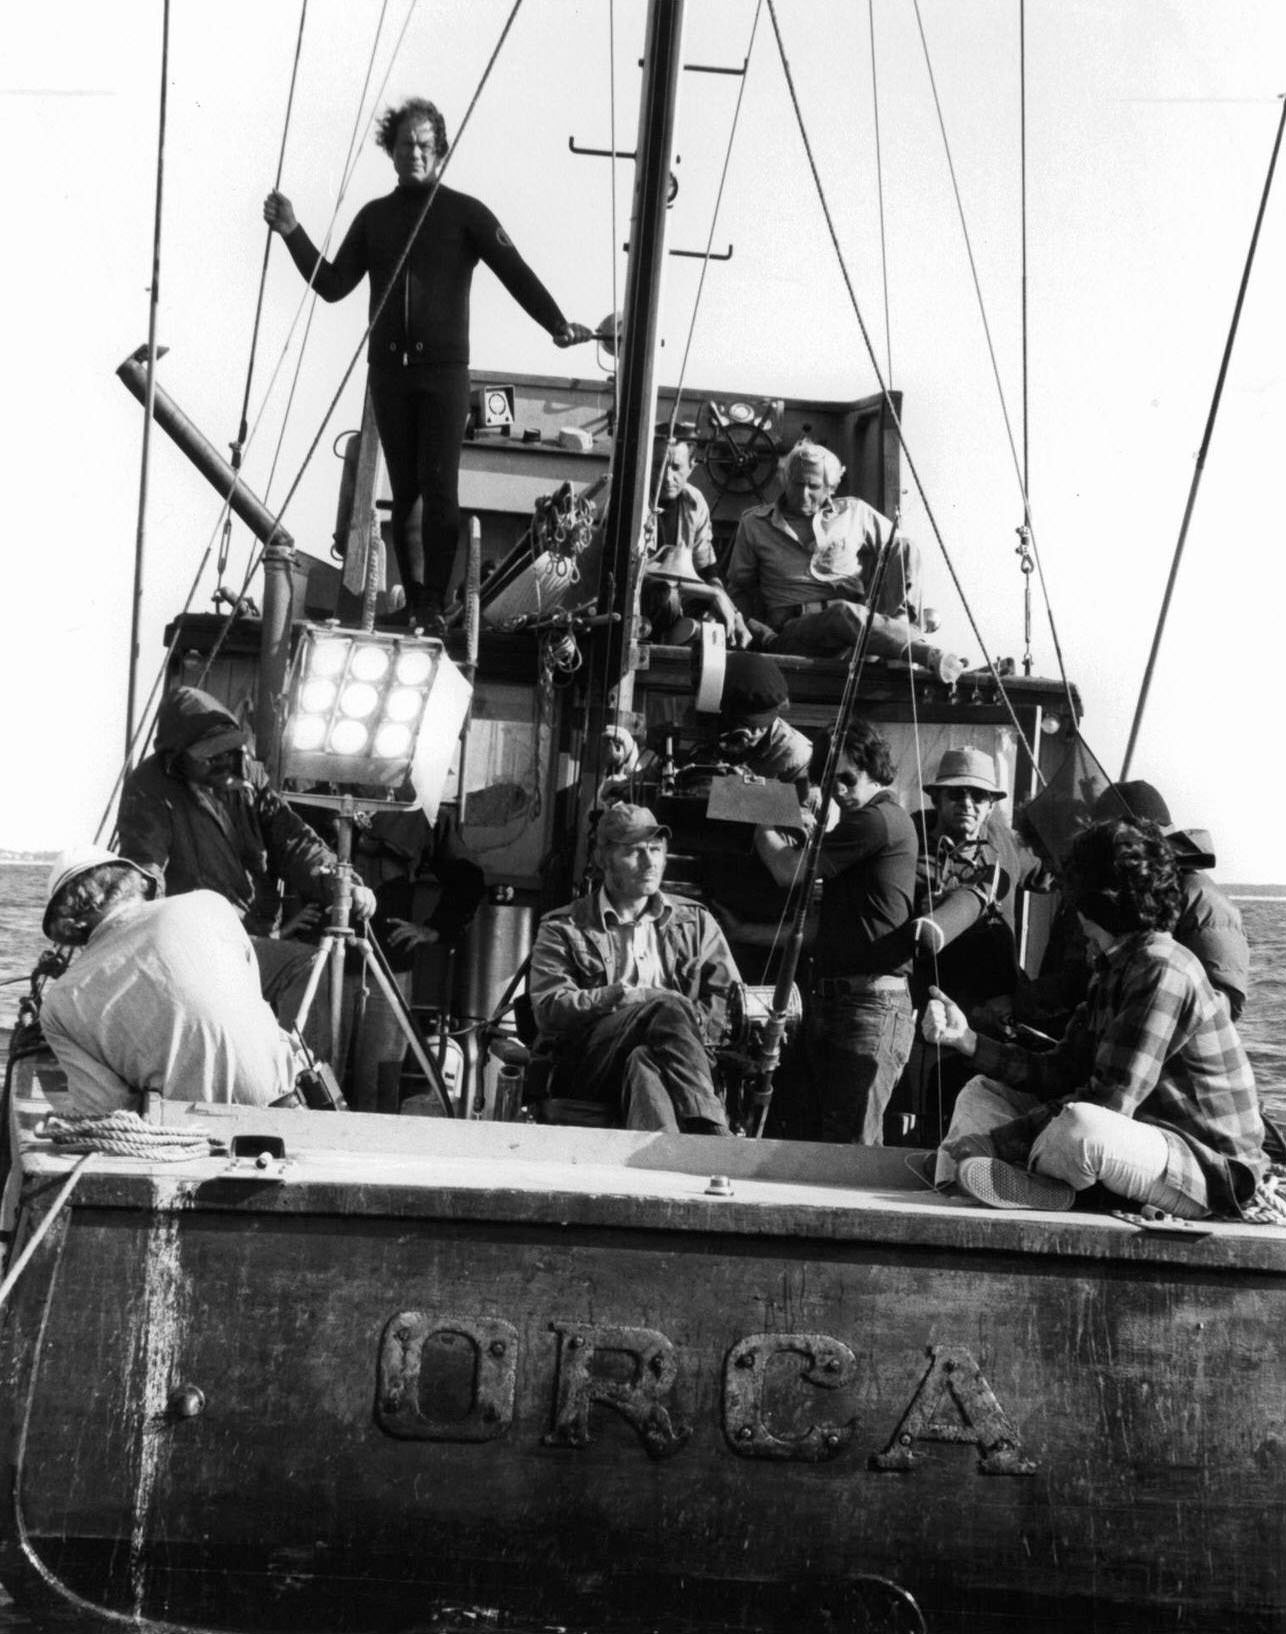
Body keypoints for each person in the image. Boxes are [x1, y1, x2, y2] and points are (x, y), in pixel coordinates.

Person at [264, 96, 593, 633]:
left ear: (439, 150)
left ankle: (433, 604)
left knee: (440, 488)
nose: (414, 153)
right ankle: (415, 598)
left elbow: (515, 270)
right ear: (390, 152)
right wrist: (293, 231)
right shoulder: (374, 218)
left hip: (443, 373)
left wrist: (555, 323)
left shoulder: (465, 213)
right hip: (390, 373)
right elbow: (331, 285)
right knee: (405, 492)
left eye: (424, 145)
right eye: (404, 145)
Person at [921, 819, 1269, 1219]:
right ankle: (965, 1179)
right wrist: (967, 1040)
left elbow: (1110, 1103)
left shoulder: (1161, 969)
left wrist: (995, 1143)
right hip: (1145, 1142)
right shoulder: (1115, 965)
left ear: (1092, 900)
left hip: (1208, 1170)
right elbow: (1060, 1071)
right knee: (984, 1089)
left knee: (1081, 1127)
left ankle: (1032, 1183)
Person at [116, 686, 376, 1036]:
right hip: (196, 944)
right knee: (294, 970)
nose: (223, 760)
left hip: (252, 938)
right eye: (209, 756)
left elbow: (293, 840)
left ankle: (299, 1079)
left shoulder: (250, 776)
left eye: (227, 750)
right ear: (176, 757)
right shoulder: (149, 787)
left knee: (314, 967)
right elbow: (146, 866)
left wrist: (337, 883)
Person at [39, 846, 300, 1113]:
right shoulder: (210, 904)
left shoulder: (58, 1005)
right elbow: (249, 997)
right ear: (135, 881)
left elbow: (106, 1110)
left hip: (192, 1128)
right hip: (290, 1099)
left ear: (68, 926)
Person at [528, 805, 739, 1133]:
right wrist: (624, 997)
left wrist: (691, 1033)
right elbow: (549, 1008)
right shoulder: (565, 927)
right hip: (592, 1064)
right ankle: (712, 1133)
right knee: (666, 1005)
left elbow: (728, 1000)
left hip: (681, 1061)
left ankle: (660, 1168)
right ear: (602, 859)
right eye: (634, 852)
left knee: (644, 1061)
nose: (649, 862)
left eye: (656, 850)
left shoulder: (695, 921)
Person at [754, 721, 917, 1144]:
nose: (838, 790)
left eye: (848, 779)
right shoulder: (868, 821)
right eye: (829, 780)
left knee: (850, 1153)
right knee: (828, 1145)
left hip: (869, 1009)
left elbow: (788, 870)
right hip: (839, 1004)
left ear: (877, 772)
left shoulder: (874, 821)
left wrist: (762, 823)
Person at [724, 441, 966, 683]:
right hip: (795, 633)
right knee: (840, 613)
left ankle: (898, 636)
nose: (803, 493)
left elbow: (902, 550)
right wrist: (753, 632)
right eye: (797, 484)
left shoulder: (854, 512)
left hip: (857, 629)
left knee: (904, 547)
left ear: (831, 488)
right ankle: (924, 652)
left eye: (813, 486)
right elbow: (739, 590)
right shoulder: (754, 524)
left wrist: (897, 609)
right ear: (785, 480)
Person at [907, 746, 1055, 1141]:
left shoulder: (1003, 843)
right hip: (939, 1019)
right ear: (936, 798)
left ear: (991, 805)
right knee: (937, 1126)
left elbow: (1049, 873)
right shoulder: (908, 848)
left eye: (979, 796)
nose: (968, 804)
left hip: (1000, 1020)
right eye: (956, 795)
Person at [641, 434, 750, 648]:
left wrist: (735, 615)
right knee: (667, 597)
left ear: (691, 467)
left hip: (682, 599)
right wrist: (712, 594)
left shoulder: (695, 502)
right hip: (643, 601)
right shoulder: (633, 499)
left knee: (735, 623)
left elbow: (707, 572)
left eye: (675, 467)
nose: (666, 477)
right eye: (658, 466)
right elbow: (638, 574)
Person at [688, 653, 813, 792]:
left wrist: (749, 793)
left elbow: (806, 811)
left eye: (759, 725)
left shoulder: (795, 756)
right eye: (738, 723)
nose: (752, 733)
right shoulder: (697, 720)